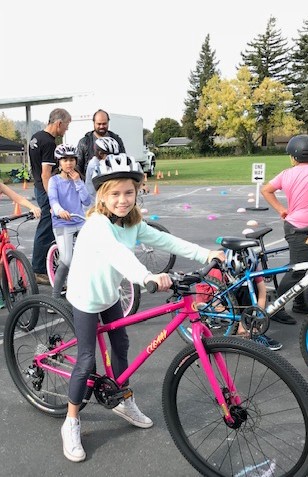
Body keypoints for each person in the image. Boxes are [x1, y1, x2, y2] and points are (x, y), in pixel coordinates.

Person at [61, 154, 225, 463]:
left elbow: (166, 240)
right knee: (86, 361)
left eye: (128, 192)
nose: (122, 200)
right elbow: (118, 255)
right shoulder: (97, 224)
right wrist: (147, 276)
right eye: (115, 193)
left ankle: (122, 399)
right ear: (102, 196)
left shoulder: (133, 222)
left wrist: (206, 254)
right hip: (85, 297)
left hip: (109, 296)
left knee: (121, 344)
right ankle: (71, 421)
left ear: (137, 192)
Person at [196, 248, 282, 350]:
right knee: (243, 290)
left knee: (249, 286)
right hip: (211, 298)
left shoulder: (253, 267)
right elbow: (216, 301)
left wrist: (258, 317)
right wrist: (237, 320)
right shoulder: (217, 270)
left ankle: (249, 327)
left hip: (230, 294)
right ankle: (243, 329)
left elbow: (262, 292)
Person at [262, 134, 308, 318]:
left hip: (294, 226)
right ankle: (277, 309)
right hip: (299, 228)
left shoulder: (287, 174)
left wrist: (282, 209)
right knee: (297, 268)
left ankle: (299, 303)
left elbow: (266, 189)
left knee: (300, 268)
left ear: (293, 157)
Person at [29, 108, 72, 285]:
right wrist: (53, 198)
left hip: (38, 187)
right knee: (46, 229)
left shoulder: (36, 137)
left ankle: (46, 264)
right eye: (66, 126)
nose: (66, 130)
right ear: (59, 123)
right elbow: (46, 174)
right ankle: (38, 270)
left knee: (48, 228)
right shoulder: (48, 143)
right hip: (45, 189)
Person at [47, 144, 91, 301]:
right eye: (65, 159)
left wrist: (78, 182)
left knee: (88, 256)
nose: (69, 163)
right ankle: (55, 297)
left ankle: (82, 291)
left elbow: (86, 201)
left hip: (79, 221)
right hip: (62, 224)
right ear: (59, 162)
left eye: (72, 159)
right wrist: (59, 211)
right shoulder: (54, 181)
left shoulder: (78, 179)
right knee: (66, 260)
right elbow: (53, 200)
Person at [77, 109, 125, 176]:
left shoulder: (117, 140)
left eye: (104, 124)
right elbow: (78, 166)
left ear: (108, 122)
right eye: (99, 124)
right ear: (94, 123)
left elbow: (123, 160)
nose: (101, 126)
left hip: (113, 181)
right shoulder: (84, 142)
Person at [85, 136, 120, 204]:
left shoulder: (105, 163)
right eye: (110, 155)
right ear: (100, 154)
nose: (114, 158)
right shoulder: (94, 165)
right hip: (95, 204)